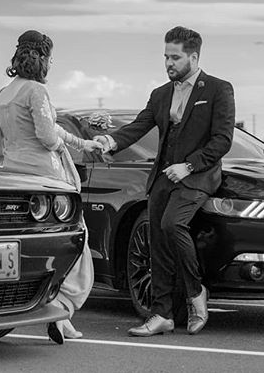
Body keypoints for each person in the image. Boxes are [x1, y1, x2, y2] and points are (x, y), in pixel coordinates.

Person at [94, 26, 235, 336]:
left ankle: (196, 294)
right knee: (157, 240)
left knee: (173, 225)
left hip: (197, 176)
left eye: (175, 57)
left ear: (194, 57)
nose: (169, 63)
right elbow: (137, 127)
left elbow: (222, 139)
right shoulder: (160, 94)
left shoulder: (217, 89)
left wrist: (188, 166)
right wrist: (109, 141)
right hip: (162, 177)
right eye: (166, 57)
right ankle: (162, 315)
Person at [0, 29, 102, 344]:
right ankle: (61, 306)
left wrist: (81, 142)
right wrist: (68, 145)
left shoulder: (1, 95)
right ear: (42, 58)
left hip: (15, 177)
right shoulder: (36, 92)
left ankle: (60, 318)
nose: (51, 63)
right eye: (50, 57)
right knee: (75, 245)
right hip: (47, 178)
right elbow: (47, 136)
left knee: (35, 246)